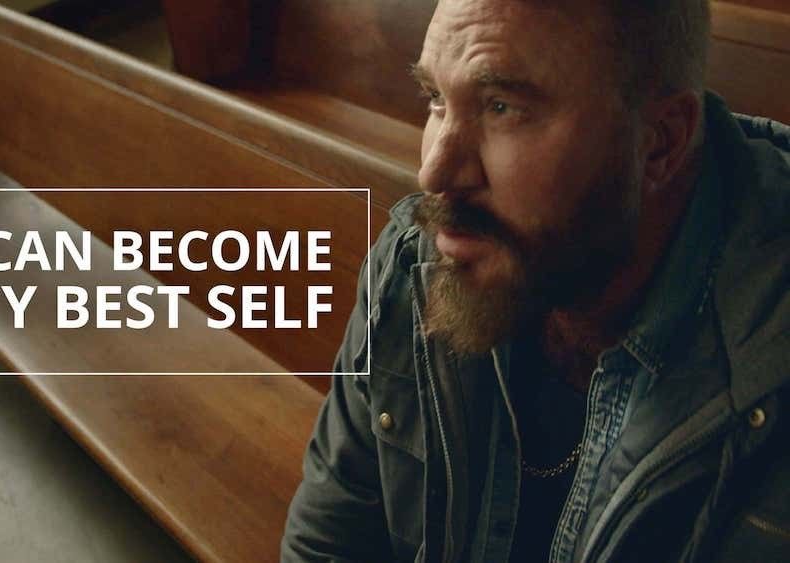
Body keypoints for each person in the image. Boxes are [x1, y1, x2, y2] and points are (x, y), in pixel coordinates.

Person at [280, 0, 790, 561]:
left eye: (502, 107)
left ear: (661, 142)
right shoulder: (418, 265)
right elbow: (327, 546)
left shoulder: (768, 370)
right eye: (435, 100)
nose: (434, 171)